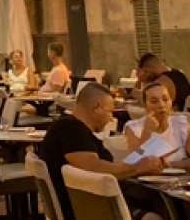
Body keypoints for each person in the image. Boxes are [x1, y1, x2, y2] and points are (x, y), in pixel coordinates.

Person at [40, 82, 164, 220]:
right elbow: (94, 168)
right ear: (96, 108)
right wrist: (137, 167)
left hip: (87, 204)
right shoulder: (71, 130)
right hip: (87, 209)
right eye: (109, 111)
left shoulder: (72, 128)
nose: (111, 117)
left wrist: (139, 166)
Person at [125, 81, 190, 166]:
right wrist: (146, 133)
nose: (162, 105)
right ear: (145, 106)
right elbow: (133, 162)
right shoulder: (134, 127)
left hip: (180, 177)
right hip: (145, 178)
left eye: (165, 99)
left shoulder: (181, 123)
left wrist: (168, 164)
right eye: (154, 101)